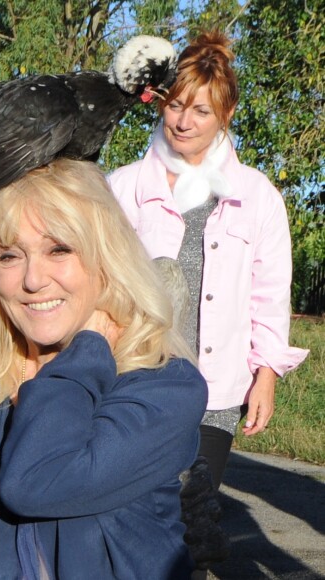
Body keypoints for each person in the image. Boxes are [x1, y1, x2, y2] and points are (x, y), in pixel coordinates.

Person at [0, 157, 208, 579]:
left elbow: (34, 481)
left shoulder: (164, 387)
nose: (33, 280)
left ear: (106, 256)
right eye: (9, 255)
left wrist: (87, 353)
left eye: (59, 249)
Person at [108, 31, 309, 494]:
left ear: (226, 114)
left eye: (200, 111)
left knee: (192, 523)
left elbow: (269, 296)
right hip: (134, 382)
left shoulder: (257, 196)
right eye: (176, 105)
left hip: (216, 390)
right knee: (136, 517)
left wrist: (266, 377)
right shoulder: (122, 188)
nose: (183, 122)